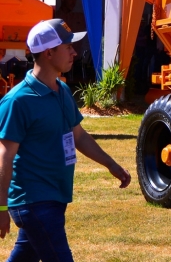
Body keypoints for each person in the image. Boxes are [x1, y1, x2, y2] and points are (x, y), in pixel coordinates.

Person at [0, 19, 131, 260]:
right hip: (34, 201)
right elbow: (4, 157)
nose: (74, 52)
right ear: (49, 53)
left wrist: (111, 164)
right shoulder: (17, 101)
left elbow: (78, 136)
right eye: (68, 46)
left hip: (55, 196)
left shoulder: (63, 91)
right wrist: (0, 208)